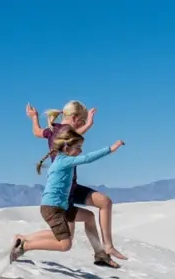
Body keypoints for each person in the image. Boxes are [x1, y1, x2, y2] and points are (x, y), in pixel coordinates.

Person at [26, 101, 126, 264]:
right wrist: (106, 143)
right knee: (66, 240)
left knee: (86, 219)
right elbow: (79, 147)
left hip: (66, 185)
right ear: (74, 118)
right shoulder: (65, 131)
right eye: (81, 120)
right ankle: (106, 247)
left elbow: (37, 132)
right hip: (67, 188)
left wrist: (34, 117)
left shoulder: (53, 129)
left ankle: (101, 253)